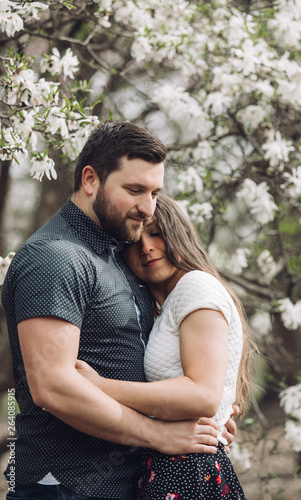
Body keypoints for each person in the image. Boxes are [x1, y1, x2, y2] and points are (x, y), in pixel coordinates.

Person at [1, 121, 237, 500]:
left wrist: (202, 420)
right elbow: (53, 388)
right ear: (90, 179)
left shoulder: (119, 257)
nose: (147, 208)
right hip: (63, 486)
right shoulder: (56, 258)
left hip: (127, 483)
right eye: (134, 190)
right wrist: (161, 434)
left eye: (155, 192)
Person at [76, 192, 256, 499]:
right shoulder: (167, 307)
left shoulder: (195, 286)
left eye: (157, 233)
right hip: (175, 465)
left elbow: (202, 396)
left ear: (178, 234)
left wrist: (99, 386)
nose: (146, 247)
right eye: (134, 241)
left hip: (187, 471)